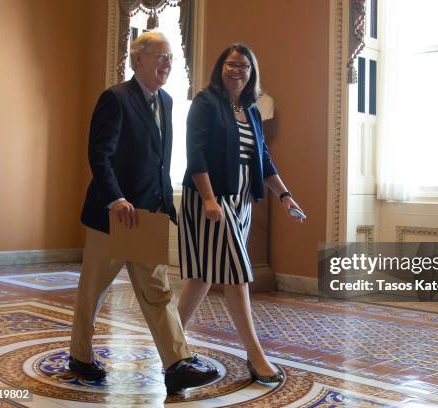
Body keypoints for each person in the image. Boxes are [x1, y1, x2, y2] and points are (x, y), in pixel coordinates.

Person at [69, 32, 218, 394]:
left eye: (170, 57)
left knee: (158, 293)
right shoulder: (115, 99)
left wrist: (165, 205)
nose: (167, 63)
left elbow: (159, 161)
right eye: (160, 56)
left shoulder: (166, 101)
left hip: (147, 216)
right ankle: (80, 357)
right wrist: (115, 198)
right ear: (138, 61)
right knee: (93, 291)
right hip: (113, 216)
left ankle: (177, 364)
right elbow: (99, 155)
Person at [177, 43, 305, 383]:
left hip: (241, 203)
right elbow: (196, 153)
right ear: (221, 68)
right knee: (236, 272)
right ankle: (255, 355)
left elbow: (263, 159)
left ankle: (170, 342)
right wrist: (208, 198)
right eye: (231, 64)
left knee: (203, 275)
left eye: (244, 66)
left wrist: (285, 196)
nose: (237, 70)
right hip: (212, 200)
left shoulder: (251, 110)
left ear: (252, 73)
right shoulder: (206, 102)